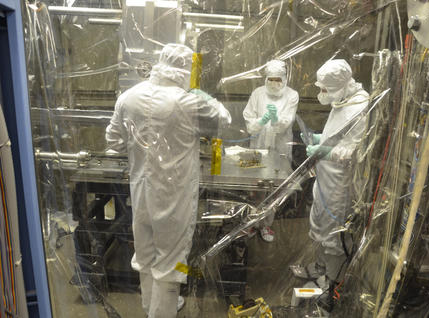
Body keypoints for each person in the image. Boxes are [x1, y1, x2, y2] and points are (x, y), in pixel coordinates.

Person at [105, 43, 231, 318]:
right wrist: (204, 97)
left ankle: (153, 308)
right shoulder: (187, 102)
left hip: (140, 192)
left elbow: (113, 141)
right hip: (173, 197)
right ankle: (162, 313)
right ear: (186, 70)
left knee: (145, 256)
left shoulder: (128, 97)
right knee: (171, 263)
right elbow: (223, 121)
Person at [293, 59, 369, 305]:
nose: (321, 94)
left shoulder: (359, 105)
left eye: (325, 89)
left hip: (340, 183)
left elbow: (355, 151)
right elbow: (338, 136)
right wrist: (319, 138)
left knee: (334, 235)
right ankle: (320, 267)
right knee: (320, 225)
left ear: (341, 84)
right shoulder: (343, 100)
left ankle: (331, 285)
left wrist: (324, 151)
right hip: (326, 178)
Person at [242, 59, 299, 242]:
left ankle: (266, 224)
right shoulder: (258, 93)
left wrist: (275, 120)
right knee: (256, 186)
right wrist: (260, 121)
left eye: (278, 79)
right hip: (258, 145)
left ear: (284, 78)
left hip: (280, 146)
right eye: (271, 79)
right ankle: (252, 224)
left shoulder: (292, 95)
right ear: (266, 78)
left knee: (275, 188)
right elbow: (249, 120)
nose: (274, 83)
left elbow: (286, 123)